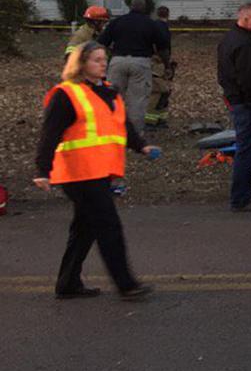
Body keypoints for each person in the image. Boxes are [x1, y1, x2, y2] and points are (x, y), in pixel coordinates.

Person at [34, 42, 162, 301]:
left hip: (99, 172)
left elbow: (121, 126)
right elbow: (49, 135)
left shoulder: (109, 92)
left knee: (85, 228)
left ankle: (68, 283)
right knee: (108, 226)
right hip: (78, 173)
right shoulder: (66, 94)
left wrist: (142, 146)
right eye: (96, 60)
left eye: (104, 59)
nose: (103, 64)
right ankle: (126, 284)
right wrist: (42, 170)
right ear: (80, 65)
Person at [217, 3, 251, 212]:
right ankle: (241, 197)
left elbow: (223, 74)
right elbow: (248, 79)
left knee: (245, 149)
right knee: (247, 150)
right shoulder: (245, 45)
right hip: (249, 104)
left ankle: (242, 195)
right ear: (246, 19)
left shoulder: (229, 40)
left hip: (238, 101)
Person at [98, 0, 170, 137]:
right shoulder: (151, 24)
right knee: (137, 100)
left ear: (130, 7)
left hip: (117, 61)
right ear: (145, 8)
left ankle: (110, 131)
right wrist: (167, 65)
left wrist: (108, 58)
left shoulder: (117, 21)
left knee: (113, 96)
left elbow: (102, 42)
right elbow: (163, 48)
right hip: (140, 62)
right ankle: (134, 135)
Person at [145, 6, 176, 128]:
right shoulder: (162, 28)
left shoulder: (153, 26)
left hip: (154, 62)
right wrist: (168, 65)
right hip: (158, 64)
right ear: (168, 14)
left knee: (164, 93)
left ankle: (160, 119)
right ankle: (150, 121)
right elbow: (164, 48)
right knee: (159, 91)